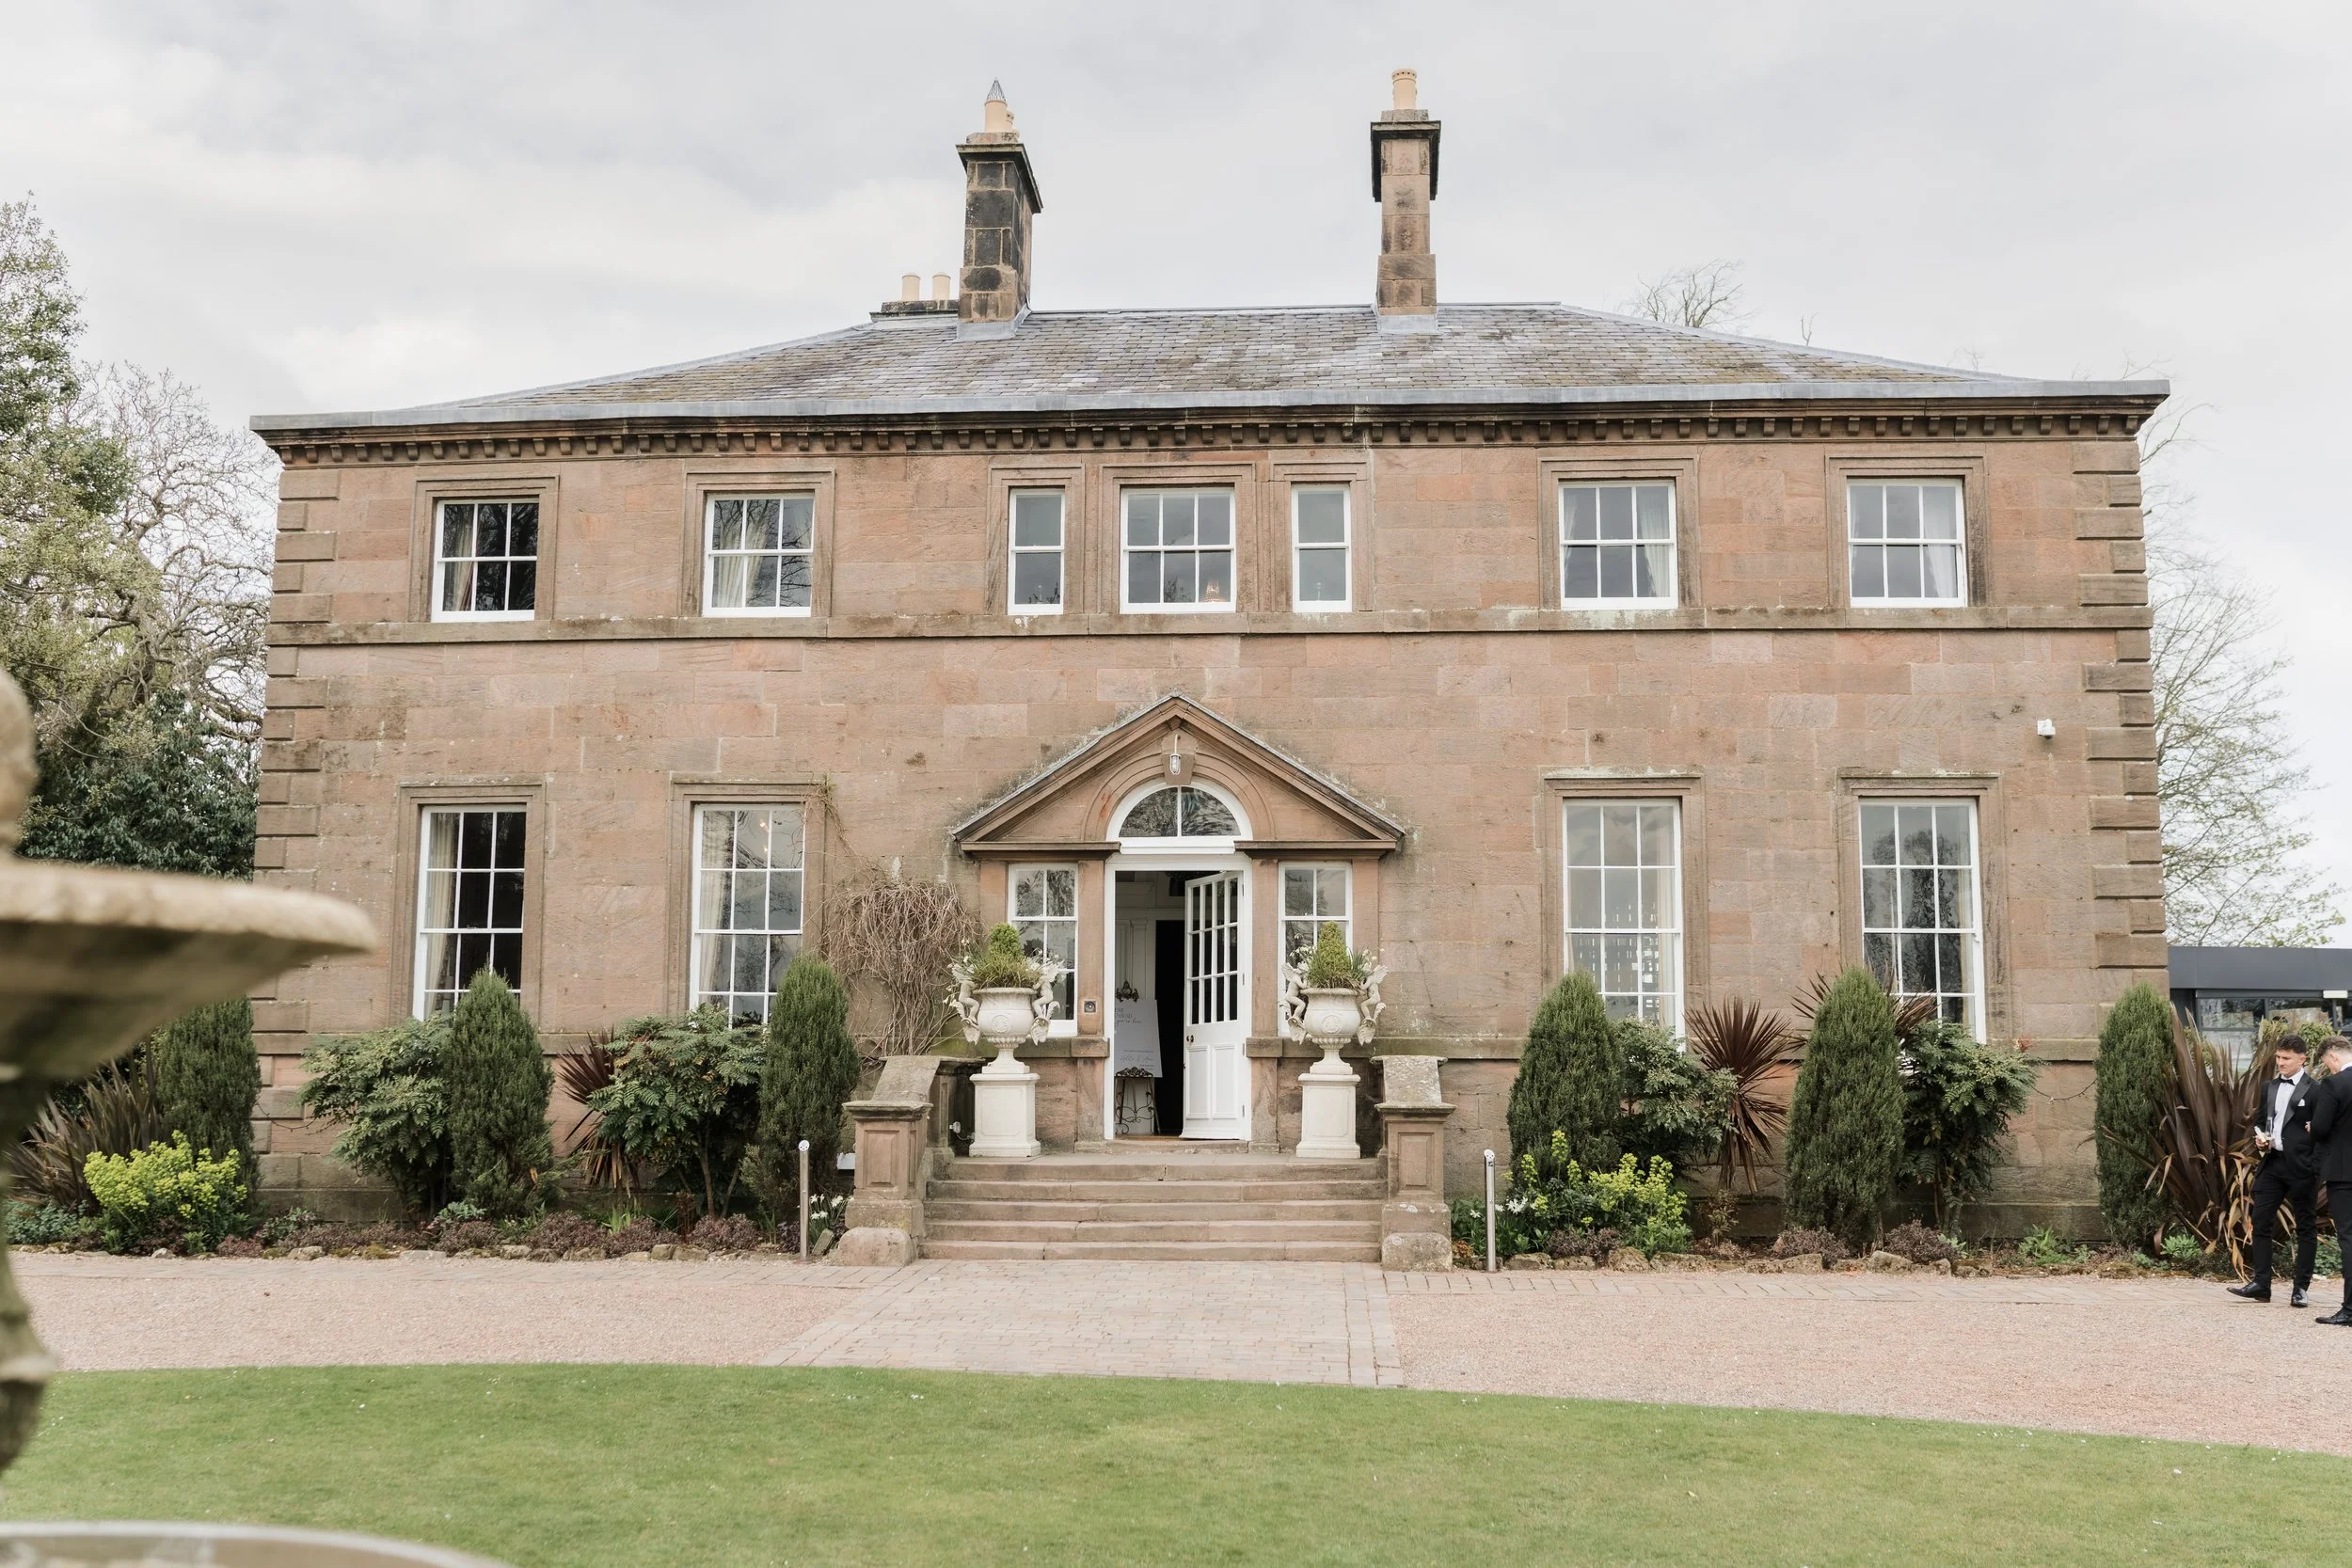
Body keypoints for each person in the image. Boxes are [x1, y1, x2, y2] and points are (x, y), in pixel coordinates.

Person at [2230, 1034, 2321, 1307]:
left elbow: (2323, 1130)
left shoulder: (2316, 1089)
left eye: (2286, 1059)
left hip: (2303, 1168)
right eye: (2278, 1057)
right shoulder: (2269, 1086)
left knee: (2305, 1227)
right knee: (2261, 1221)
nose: (2280, 1063)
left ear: (2302, 1059)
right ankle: (2261, 1284)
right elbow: (2259, 1122)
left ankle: (2300, 1289)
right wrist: (2260, 1138)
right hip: (2272, 1163)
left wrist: (2314, 1166)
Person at [2308, 1035, 2352, 1327]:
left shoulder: (2334, 1084)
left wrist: (2313, 1127)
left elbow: (2321, 1128)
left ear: (2333, 1058)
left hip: (2344, 1172)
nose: (2329, 1070)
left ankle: (2349, 1309)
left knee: (2349, 1238)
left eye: (2327, 1065)